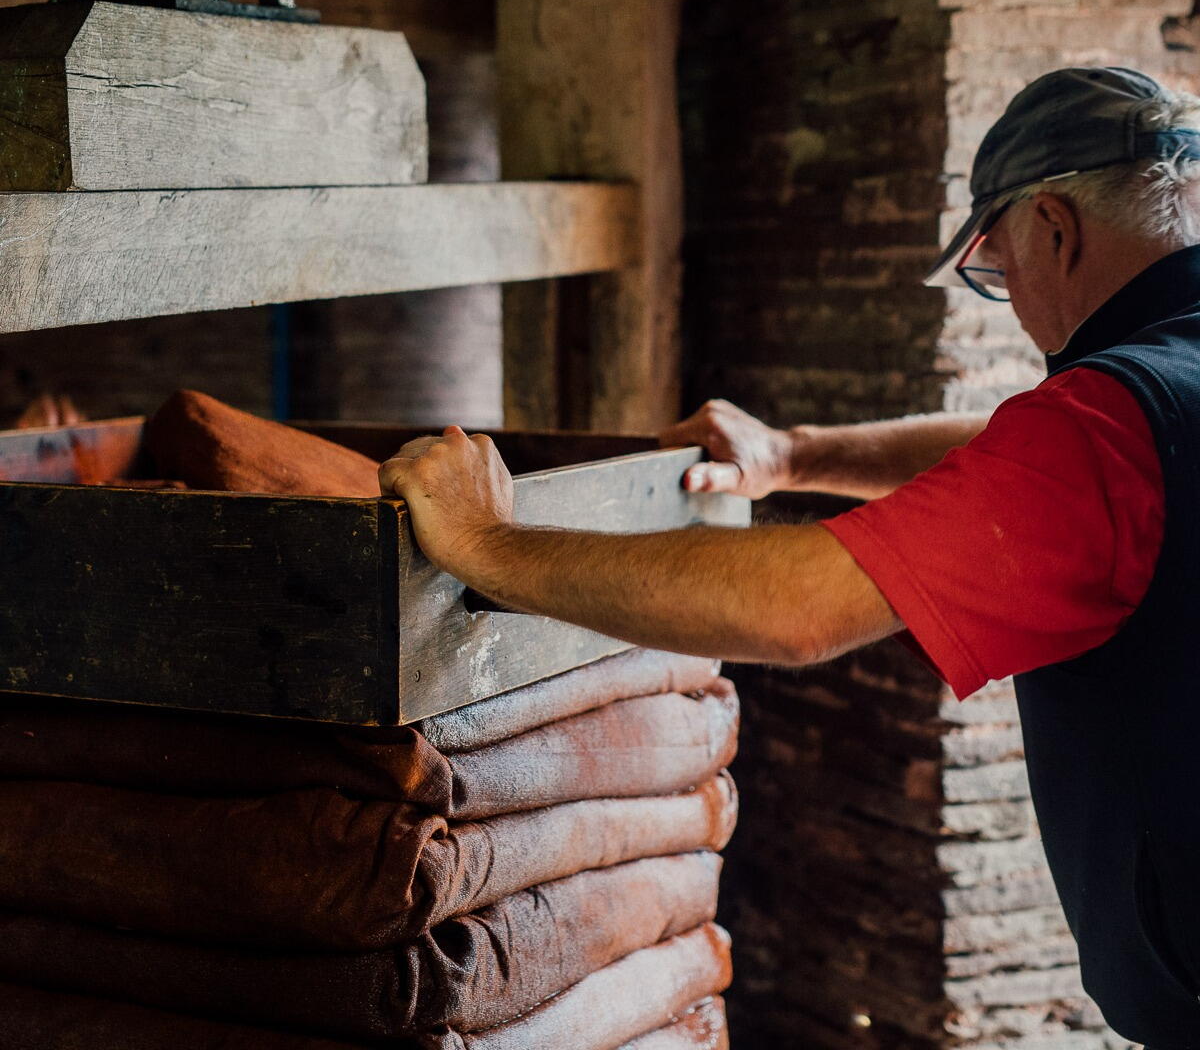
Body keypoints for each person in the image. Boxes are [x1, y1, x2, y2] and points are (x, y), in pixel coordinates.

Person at [380, 67, 1200, 1047]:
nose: (1011, 294)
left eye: (995, 262)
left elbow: (800, 611)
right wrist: (795, 456)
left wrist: (484, 544)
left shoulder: (1109, 428)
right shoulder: (1158, 394)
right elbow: (1012, 453)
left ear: (1053, 227)